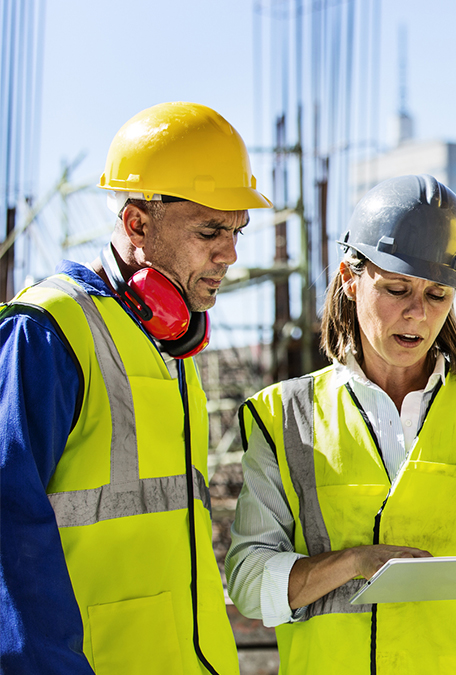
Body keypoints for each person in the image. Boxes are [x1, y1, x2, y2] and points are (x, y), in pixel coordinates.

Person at [225, 174, 456, 674]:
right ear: (350, 278)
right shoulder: (283, 418)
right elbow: (249, 583)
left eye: (439, 295)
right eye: (397, 288)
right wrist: (354, 564)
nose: (417, 314)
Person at [0, 102, 271, 673]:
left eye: (237, 231)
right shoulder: (48, 332)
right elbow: (8, 531)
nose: (231, 253)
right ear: (136, 224)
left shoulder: (170, 346)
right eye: (210, 230)